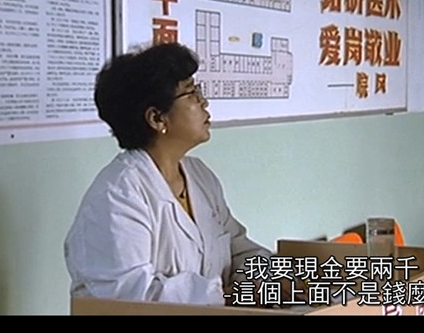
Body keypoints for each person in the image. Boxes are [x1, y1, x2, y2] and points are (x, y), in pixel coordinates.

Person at [64, 42, 273, 306]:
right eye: (191, 93)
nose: (204, 102)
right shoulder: (118, 196)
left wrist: (268, 279)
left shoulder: (199, 175)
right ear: (157, 119)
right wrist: (229, 296)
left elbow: (237, 247)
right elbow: (132, 298)